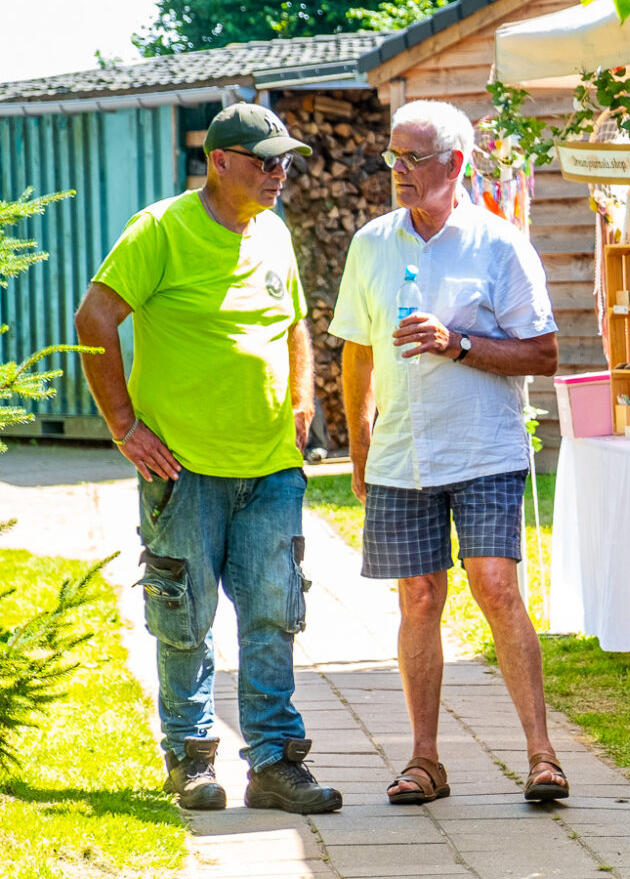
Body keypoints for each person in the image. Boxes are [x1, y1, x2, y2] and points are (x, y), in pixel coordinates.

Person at [72, 103, 342, 815]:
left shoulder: (274, 231)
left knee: (274, 614)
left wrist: (303, 398)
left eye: (284, 160)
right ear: (218, 161)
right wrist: (124, 425)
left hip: (271, 465)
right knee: (184, 615)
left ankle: (276, 763)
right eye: (264, 161)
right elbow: (94, 317)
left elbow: (295, 325)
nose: (278, 173)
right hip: (183, 468)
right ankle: (191, 758)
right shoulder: (161, 229)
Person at [332, 101, 564, 805]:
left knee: (494, 583)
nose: (397, 171)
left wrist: (457, 341)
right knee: (419, 597)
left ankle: (543, 755)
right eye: (391, 157)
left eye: (413, 158)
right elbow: (355, 353)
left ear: (456, 164)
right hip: (403, 454)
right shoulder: (371, 243)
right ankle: (426, 761)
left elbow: (544, 352)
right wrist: (360, 446)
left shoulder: (500, 244)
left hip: (485, 448)